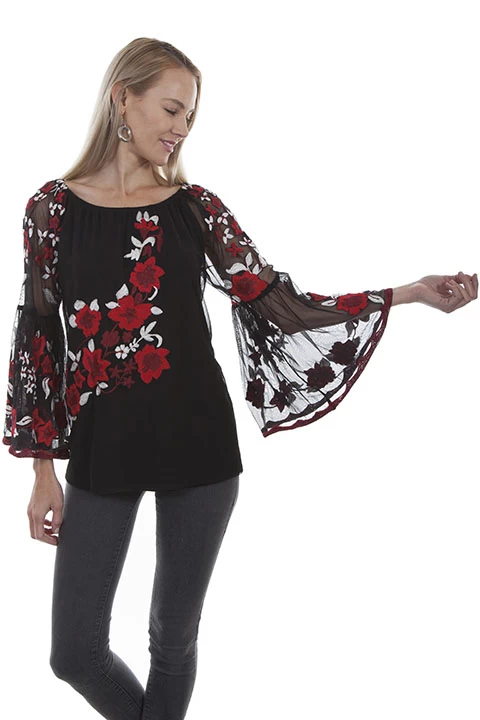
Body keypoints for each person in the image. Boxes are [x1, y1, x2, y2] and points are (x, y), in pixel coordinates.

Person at [2, 36, 477, 720]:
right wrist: (42, 471)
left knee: (171, 638)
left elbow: (277, 302)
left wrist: (410, 293)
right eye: (172, 109)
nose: (182, 128)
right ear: (123, 99)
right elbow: (39, 340)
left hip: (198, 444)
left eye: (191, 116)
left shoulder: (195, 207)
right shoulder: (50, 209)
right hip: (102, 446)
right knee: (74, 652)